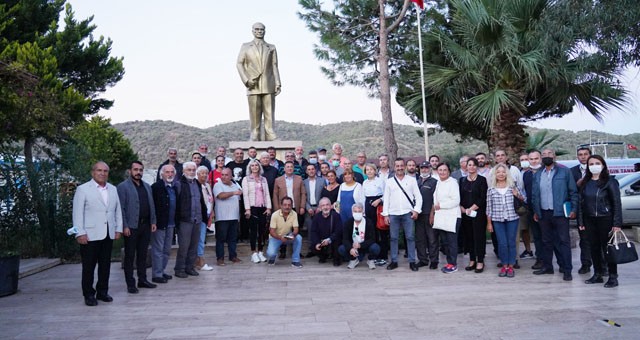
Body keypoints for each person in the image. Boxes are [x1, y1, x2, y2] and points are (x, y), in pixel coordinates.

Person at [73, 161, 123, 306]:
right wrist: (80, 233)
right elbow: (77, 213)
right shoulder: (83, 189)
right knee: (88, 266)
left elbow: (117, 210)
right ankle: (88, 294)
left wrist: (118, 228)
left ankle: (102, 292)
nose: (102, 173)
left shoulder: (113, 189)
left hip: (107, 233)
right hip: (89, 235)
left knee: (105, 265)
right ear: (93, 172)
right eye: (99, 170)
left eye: (105, 171)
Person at [531, 148, 579, 281]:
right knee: (546, 241)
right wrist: (536, 211)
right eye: (544, 155)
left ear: (555, 156)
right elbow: (535, 195)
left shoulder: (564, 172)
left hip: (560, 213)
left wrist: (573, 209)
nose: (546, 156)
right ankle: (548, 267)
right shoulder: (537, 174)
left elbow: (573, 192)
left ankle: (566, 269)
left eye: (549, 154)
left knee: (564, 241)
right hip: (543, 213)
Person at [578, 155, 623, 288]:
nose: (594, 166)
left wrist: (617, 223)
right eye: (591, 164)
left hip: (606, 219)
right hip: (589, 220)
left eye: (597, 163)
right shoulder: (585, 182)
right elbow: (581, 204)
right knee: (594, 248)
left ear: (603, 165)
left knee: (608, 249)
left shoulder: (610, 182)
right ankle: (597, 274)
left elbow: (616, 203)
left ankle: (613, 276)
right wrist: (581, 221)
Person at [117, 161, 158, 294]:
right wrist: (124, 225)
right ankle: (130, 284)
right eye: (135, 169)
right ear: (130, 171)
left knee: (143, 254)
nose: (138, 172)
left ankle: (142, 280)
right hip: (131, 227)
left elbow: (151, 205)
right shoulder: (123, 187)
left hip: (145, 225)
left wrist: (153, 221)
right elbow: (121, 209)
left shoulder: (147, 186)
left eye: (140, 170)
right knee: (130, 256)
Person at [236, 22, 281, 141]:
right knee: (254, 112)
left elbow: (274, 65)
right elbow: (239, 64)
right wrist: (246, 80)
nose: (259, 31)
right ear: (252, 31)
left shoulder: (271, 47)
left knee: (269, 111)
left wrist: (277, 82)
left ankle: (270, 132)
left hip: (268, 82)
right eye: (257, 29)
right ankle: (255, 133)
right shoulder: (245, 46)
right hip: (253, 84)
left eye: (262, 29)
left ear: (265, 31)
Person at [382, 158, 422, 271]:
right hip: (393, 214)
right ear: (394, 167)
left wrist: (416, 210)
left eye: (401, 166)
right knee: (393, 238)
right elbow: (386, 199)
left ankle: (412, 261)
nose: (399, 168)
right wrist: (386, 215)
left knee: (410, 237)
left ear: (404, 167)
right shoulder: (389, 182)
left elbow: (418, 197)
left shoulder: (412, 180)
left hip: (407, 213)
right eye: (397, 166)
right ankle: (394, 261)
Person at [486, 164, 524, 278]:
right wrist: (489, 223)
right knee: (502, 243)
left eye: (503, 172)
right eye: (498, 172)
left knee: (511, 242)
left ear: (506, 173)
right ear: (495, 174)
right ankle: (504, 265)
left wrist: (517, 195)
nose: (501, 174)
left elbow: (523, 198)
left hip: (512, 218)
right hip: (497, 219)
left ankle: (511, 266)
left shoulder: (512, 186)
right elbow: (489, 207)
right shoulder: (491, 189)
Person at [174, 161, 208, 278]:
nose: (192, 172)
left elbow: (201, 201)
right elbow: (176, 204)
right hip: (185, 220)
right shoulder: (178, 184)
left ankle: (190, 267)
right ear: (183, 171)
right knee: (184, 246)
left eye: (193, 170)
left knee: (194, 246)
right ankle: (179, 269)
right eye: (189, 170)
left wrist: (204, 217)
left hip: (197, 219)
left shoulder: (197, 184)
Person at [431, 163, 461, 274]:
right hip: (441, 216)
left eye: (445, 170)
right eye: (440, 170)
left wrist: (441, 206)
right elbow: (435, 198)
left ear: (449, 171)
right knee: (445, 242)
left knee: (452, 242)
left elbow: (455, 200)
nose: (442, 172)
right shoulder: (439, 182)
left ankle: (453, 264)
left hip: (452, 216)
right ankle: (449, 262)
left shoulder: (453, 183)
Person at [459, 158, 488, 273]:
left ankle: (480, 261)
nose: (471, 167)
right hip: (465, 213)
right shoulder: (462, 180)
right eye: (469, 165)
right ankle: (472, 260)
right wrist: (463, 208)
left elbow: (483, 197)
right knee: (469, 237)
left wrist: (471, 209)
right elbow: (459, 197)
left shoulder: (482, 180)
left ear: (477, 166)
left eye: (473, 165)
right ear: (466, 167)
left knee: (479, 237)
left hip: (478, 213)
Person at [273, 161, 307, 258]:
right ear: (284, 169)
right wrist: (277, 208)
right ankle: (282, 251)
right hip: (283, 208)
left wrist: (302, 206)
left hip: (295, 207)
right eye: (287, 167)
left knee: (296, 230)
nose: (289, 168)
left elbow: (303, 193)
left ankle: (296, 251)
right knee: (283, 229)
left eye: (291, 167)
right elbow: (275, 195)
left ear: (293, 168)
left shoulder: (299, 179)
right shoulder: (278, 180)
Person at [150, 164, 178, 284]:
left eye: (172, 172)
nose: (170, 174)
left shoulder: (174, 187)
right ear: (162, 174)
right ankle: (156, 274)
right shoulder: (156, 187)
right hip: (159, 224)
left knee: (167, 250)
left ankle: (161, 271)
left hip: (171, 224)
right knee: (158, 250)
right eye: (167, 172)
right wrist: (153, 221)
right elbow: (152, 207)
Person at [242, 159, 272, 263]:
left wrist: (268, 207)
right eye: (252, 165)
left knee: (262, 231)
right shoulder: (246, 179)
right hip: (252, 208)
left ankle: (260, 252)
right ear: (249, 168)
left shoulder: (263, 179)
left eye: (256, 165)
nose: (254, 167)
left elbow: (267, 194)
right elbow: (245, 195)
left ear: (259, 167)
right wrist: (247, 209)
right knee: (254, 231)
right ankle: (253, 253)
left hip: (262, 207)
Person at [571, 147, 594, 275]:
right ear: (577, 157)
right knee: (584, 240)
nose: (583, 157)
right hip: (582, 212)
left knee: (600, 241)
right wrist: (577, 185)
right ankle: (586, 264)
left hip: (598, 211)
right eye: (580, 154)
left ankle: (603, 266)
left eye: (586, 154)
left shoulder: (599, 170)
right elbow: (570, 190)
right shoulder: (572, 171)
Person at [213, 168, 243, 266]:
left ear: (231, 176)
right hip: (222, 217)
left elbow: (239, 197)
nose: (223, 177)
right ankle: (220, 258)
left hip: (234, 216)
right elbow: (221, 196)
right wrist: (234, 193)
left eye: (226, 175)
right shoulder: (217, 185)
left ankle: (233, 256)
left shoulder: (235, 185)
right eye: (222, 175)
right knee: (221, 239)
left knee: (233, 238)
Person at [339, 203, 380, 269]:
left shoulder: (369, 222)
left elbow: (372, 239)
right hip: (353, 246)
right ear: (352, 212)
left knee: (375, 248)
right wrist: (350, 248)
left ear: (363, 212)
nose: (357, 213)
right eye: (355, 211)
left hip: (365, 246)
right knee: (341, 249)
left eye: (359, 211)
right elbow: (345, 239)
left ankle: (370, 260)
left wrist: (361, 245)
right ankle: (353, 259)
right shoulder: (348, 223)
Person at [266, 197, 303, 268]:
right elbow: (272, 232)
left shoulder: (294, 214)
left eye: (289, 205)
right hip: (276, 237)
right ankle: (272, 258)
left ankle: (295, 261)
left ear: (292, 206)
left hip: (287, 236)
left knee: (299, 238)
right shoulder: (275, 215)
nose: (287, 207)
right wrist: (280, 238)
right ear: (281, 205)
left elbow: (296, 229)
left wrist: (293, 235)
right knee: (270, 254)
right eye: (285, 205)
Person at [363, 163, 388, 266]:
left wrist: (379, 200)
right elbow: (363, 197)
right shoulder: (364, 183)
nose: (369, 171)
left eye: (371, 169)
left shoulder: (380, 181)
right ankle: (374, 254)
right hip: (368, 207)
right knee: (371, 232)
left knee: (381, 231)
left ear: (375, 171)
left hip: (378, 206)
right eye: (367, 170)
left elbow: (386, 194)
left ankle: (383, 256)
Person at [415, 161, 439, 269]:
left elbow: (436, 199)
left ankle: (434, 260)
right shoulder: (416, 181)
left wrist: (432, 213)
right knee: (420, 239)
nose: (424, 170)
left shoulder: (434, 182)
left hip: (429, 213)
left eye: (426, 168)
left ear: (430, 168)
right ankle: (423, 260)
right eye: (422, 168)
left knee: (432, 238)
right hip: (418, 214)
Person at [310, 198, 343, 265]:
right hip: (322, 241)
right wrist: (317, 243)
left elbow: (338, 231)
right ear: (319, 208)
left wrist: (329, 240)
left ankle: (336, 259)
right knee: (313, 246)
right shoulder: (316, 217)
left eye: (327, 205)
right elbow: (313, 231)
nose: (325, 207)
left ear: (331, 206)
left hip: (332, 240)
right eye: (323, 205)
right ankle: (323, 257)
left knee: (337, 241)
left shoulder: (336, 216)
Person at [304, 163, 325, 257]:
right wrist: (308, 208)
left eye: (312, 169)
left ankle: (321, 249)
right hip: (308, 209)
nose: (311, 171)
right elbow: (303, 197)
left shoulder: (322, 181)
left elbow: (324, 195)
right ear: (306, 171)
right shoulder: (303, 182)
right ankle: (311, 249)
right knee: (310, 229)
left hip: (320, 208)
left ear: (315, 170)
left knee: (321, 229)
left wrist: (319, 207)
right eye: (309, 169)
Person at [195, 166, 214, 271]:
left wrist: (211, 213)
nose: (204, 175)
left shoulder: (207, 185)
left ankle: (197, 260)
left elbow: (210, 200)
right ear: (197, 174)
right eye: (202, 173)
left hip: (206, 215)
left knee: (202, 239)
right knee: (200, 240)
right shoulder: (196, 186)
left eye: (206, 173)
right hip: (199, 216)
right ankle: (200, 261)